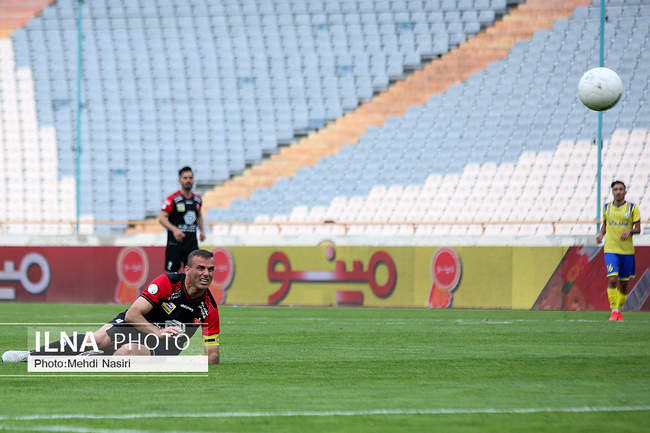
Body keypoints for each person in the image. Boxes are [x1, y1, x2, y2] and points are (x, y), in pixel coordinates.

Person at [2, 249, 220, 364]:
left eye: (210, 269)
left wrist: (194, 361)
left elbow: (213, 356)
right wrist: (158, 331)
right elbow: (133, 314)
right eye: (201, 268)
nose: (206, 274)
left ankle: (90, 360)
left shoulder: (209, 309)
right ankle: (32, 355)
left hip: (162, 348)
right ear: (187, 270)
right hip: (140, 325)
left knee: (126, 353)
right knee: (97, 338)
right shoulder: (168, 283)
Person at [596, 180, 641, 321]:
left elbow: (638, 229)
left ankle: (619, 310)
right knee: (612, 279)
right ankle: (614, 310)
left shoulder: (632, 208)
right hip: (610, 250)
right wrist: (601, 234)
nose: (618, 192)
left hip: (627, 251)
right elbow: (605, 224)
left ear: (625, 191)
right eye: (616, 189)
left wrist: (630, 230)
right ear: (612, 192)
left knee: (624, 284)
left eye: (621, 189)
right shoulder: (606, 208)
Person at [159, 166, 207, 272]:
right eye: (185, 178)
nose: (188, 180)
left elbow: (199, 216)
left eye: (190, 178)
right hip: (175, 244)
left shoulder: (197, 199)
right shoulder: (172, 199)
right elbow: (161, 218)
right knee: (172, 276)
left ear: (193, 180)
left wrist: (202, 231)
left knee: (192, 275)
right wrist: (175, 230)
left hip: (191, 245)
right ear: (180, 180)